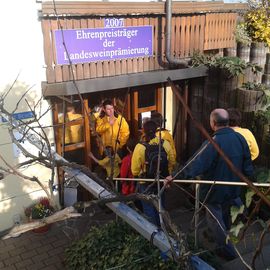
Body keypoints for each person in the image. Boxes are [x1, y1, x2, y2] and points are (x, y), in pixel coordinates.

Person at [165, 108, 253, 260]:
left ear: (213, 123)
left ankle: (230, 253)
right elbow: (248, 166)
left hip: (214, 191)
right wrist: (252, 183)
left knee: (215, 222)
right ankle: (224, 243)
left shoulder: (213, 142)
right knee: (225, 217)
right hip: (234, 189)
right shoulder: (240, 138)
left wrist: (174, 176)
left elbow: (195, 164)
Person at [132, 120, 176, 225]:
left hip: (145, 182)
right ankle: (162, 230)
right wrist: (167, 174)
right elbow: (172, 161)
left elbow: (134, 170)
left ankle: (153, 233)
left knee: (148, 208)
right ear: (156, 130)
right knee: (160, 206)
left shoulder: (140, 147)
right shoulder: (165, 144)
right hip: (161, 180)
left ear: (143, 131)